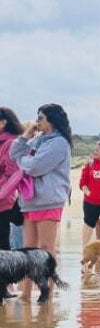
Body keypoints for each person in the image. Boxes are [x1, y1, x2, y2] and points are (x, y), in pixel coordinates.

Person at [9, 104, 73, 300]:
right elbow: (14, 153)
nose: (38, 121)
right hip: (30, 200)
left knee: (46, 248)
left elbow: (35, 167)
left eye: (41, 117)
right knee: (28, 250)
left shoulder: (59, 143)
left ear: (51, 120)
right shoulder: (39, 139)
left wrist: (23, 161)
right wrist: (25, 135)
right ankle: (27, 292)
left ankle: (47, 292)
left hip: (49, 200)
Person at [0, 108, 24, 255]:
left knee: (2, 244)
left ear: (3, 122)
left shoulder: (10, 143)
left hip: (4, 200)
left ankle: (6, 277)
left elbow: (12, 174)